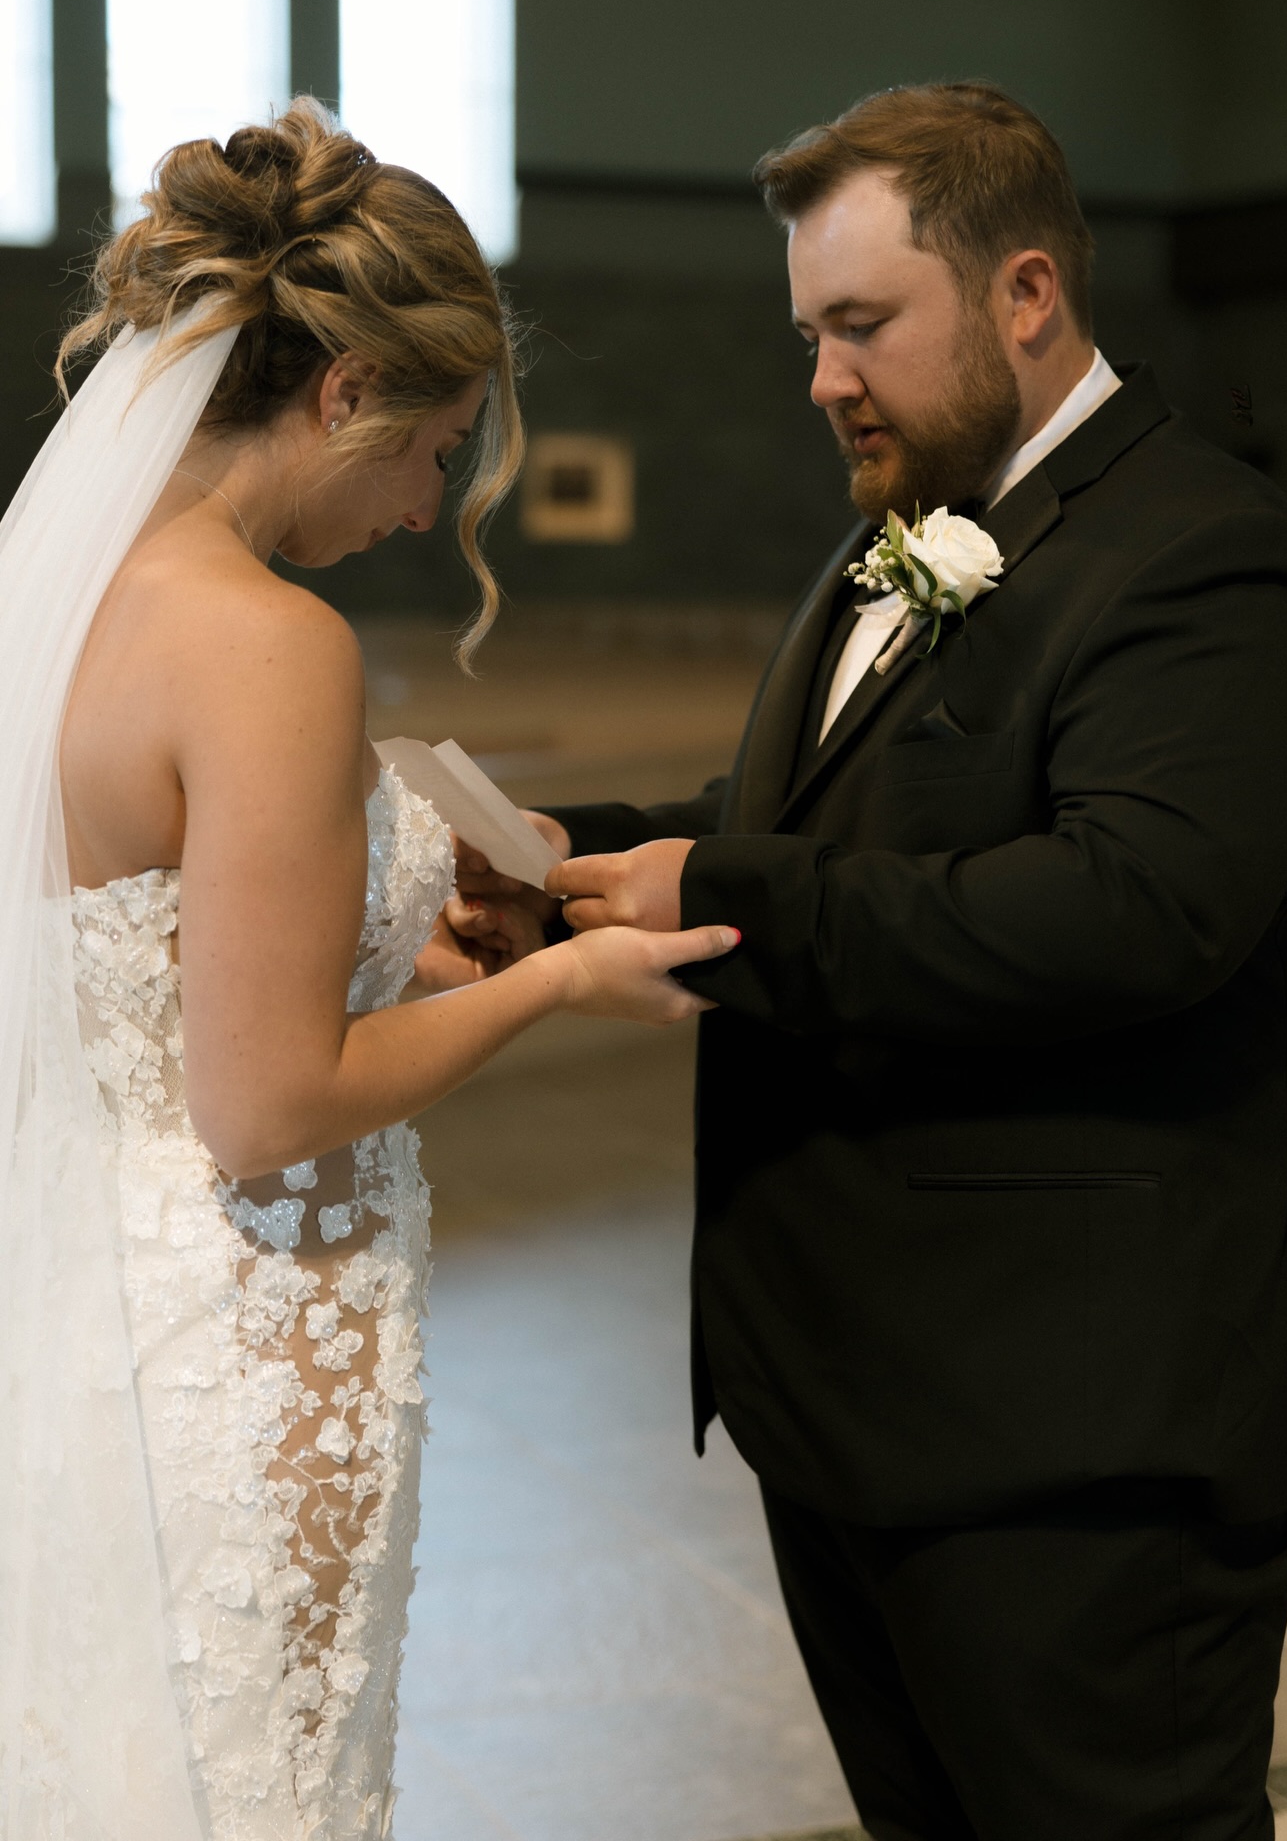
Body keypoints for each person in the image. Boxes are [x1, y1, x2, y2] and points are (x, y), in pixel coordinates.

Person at [446, 82, 1287, 1840]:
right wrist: (564, 861)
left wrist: (732, 894)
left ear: (1027, 293)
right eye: (811, 330)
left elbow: (1131, 910)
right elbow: (814, 821)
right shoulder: (915, 522)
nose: (822, 378)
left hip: (1075, 1445)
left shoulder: (1206, 560)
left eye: (861, 324)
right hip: (868, 1412)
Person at [0, 98, 736, 1840]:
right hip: (247, 1343)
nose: (427, 509)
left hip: (90, 1319)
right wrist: (552, 987)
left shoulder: (64, 598)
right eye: (431, 448)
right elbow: (263, 1108)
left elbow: (153, 971)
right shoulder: (269, 645)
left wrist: (408, 950)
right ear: (339, 392)